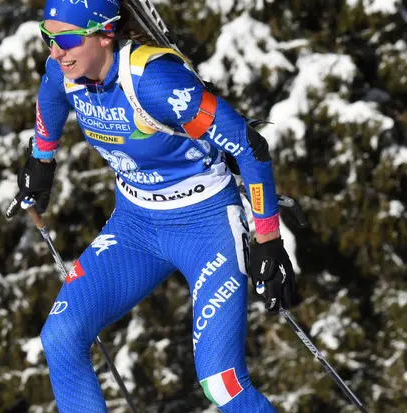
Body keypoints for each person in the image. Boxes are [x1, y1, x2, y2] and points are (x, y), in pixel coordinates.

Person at [15, 0, 298, 411]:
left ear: (105, 33)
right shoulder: (66, 70)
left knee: (220, 382)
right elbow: (50, 98)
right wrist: (41, 160)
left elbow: (249, 147)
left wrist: (268, 238)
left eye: (66, 39)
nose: (55, 52)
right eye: (48, 38)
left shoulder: (154, 80)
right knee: (60, 337)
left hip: (206, 228)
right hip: (136, 226)